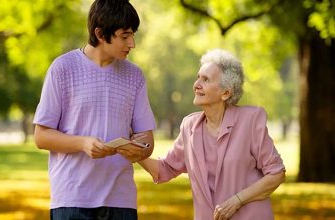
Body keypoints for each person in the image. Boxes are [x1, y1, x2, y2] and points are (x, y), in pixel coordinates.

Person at [33, 0, 155, 219]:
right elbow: (41, 136)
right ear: (100, 34)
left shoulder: (135, 75)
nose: (132, 44)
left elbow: (147, 137)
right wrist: (83, 143)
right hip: (72, 199)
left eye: (132, 35)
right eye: (125, 36)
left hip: (121, 200)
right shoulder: (62, 69)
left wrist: (142, 150)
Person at [132, 49, 286, 220]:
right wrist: (133, 151)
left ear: (226, 93)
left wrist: (237, 200)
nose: (196, 84)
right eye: (198, 77)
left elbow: (276, 173)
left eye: (205, 79)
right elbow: (164, 170)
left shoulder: (249, 120)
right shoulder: (189, 126)